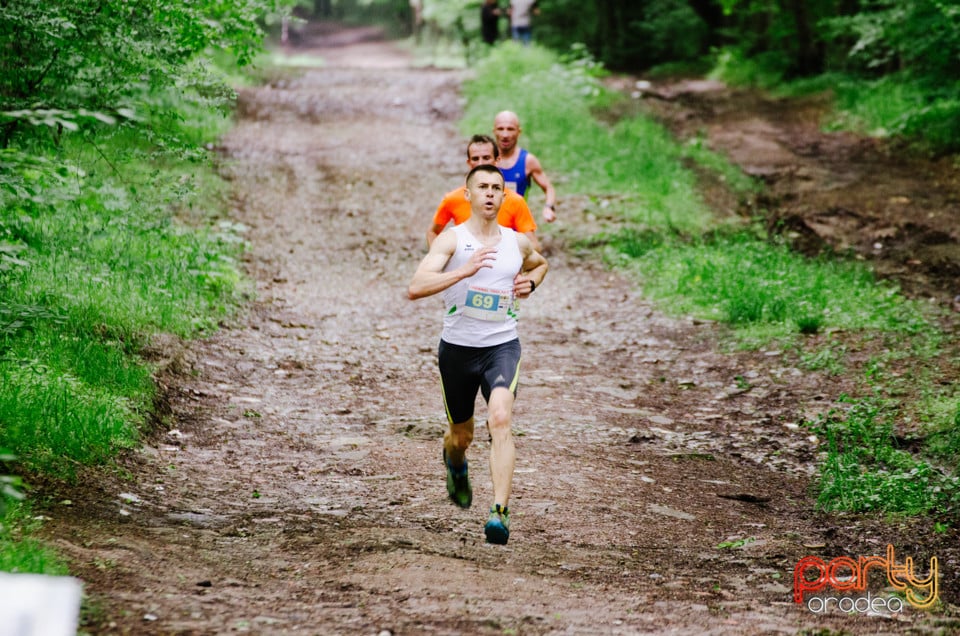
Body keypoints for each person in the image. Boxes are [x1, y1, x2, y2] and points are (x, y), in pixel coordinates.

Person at [408, 164, 548, 545]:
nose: (489, 193)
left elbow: (541, 263)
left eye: (496, 188)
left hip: (501, 346)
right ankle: (454, 463)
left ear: (505, 197)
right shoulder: (452, 241)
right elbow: (416, 286)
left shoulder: (516, 243)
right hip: (457, 350)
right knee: (460, 436)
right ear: (467, 195)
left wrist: (530, 283)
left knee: (500, 418)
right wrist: (462, 271)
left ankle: (499, 513)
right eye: (482, 187)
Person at [426, 134, 541, 252]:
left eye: (486, 158)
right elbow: (432, 232)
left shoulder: (515, 201)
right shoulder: (453, 199)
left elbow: (534, 246)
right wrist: (439, 259)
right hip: (466, 267)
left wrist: (516, 263)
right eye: (475, 159)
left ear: (497, 160)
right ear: (469, 162)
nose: (481, 163)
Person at [493, 110, 557, 224]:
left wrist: (549, 207)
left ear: (519, 132)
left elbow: (549, 188)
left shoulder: (528, 161)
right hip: (490, 228)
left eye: (510, 129)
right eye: (500, 129)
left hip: (518, 228)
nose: (505, 135)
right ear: (494, 131)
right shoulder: (485, 159)